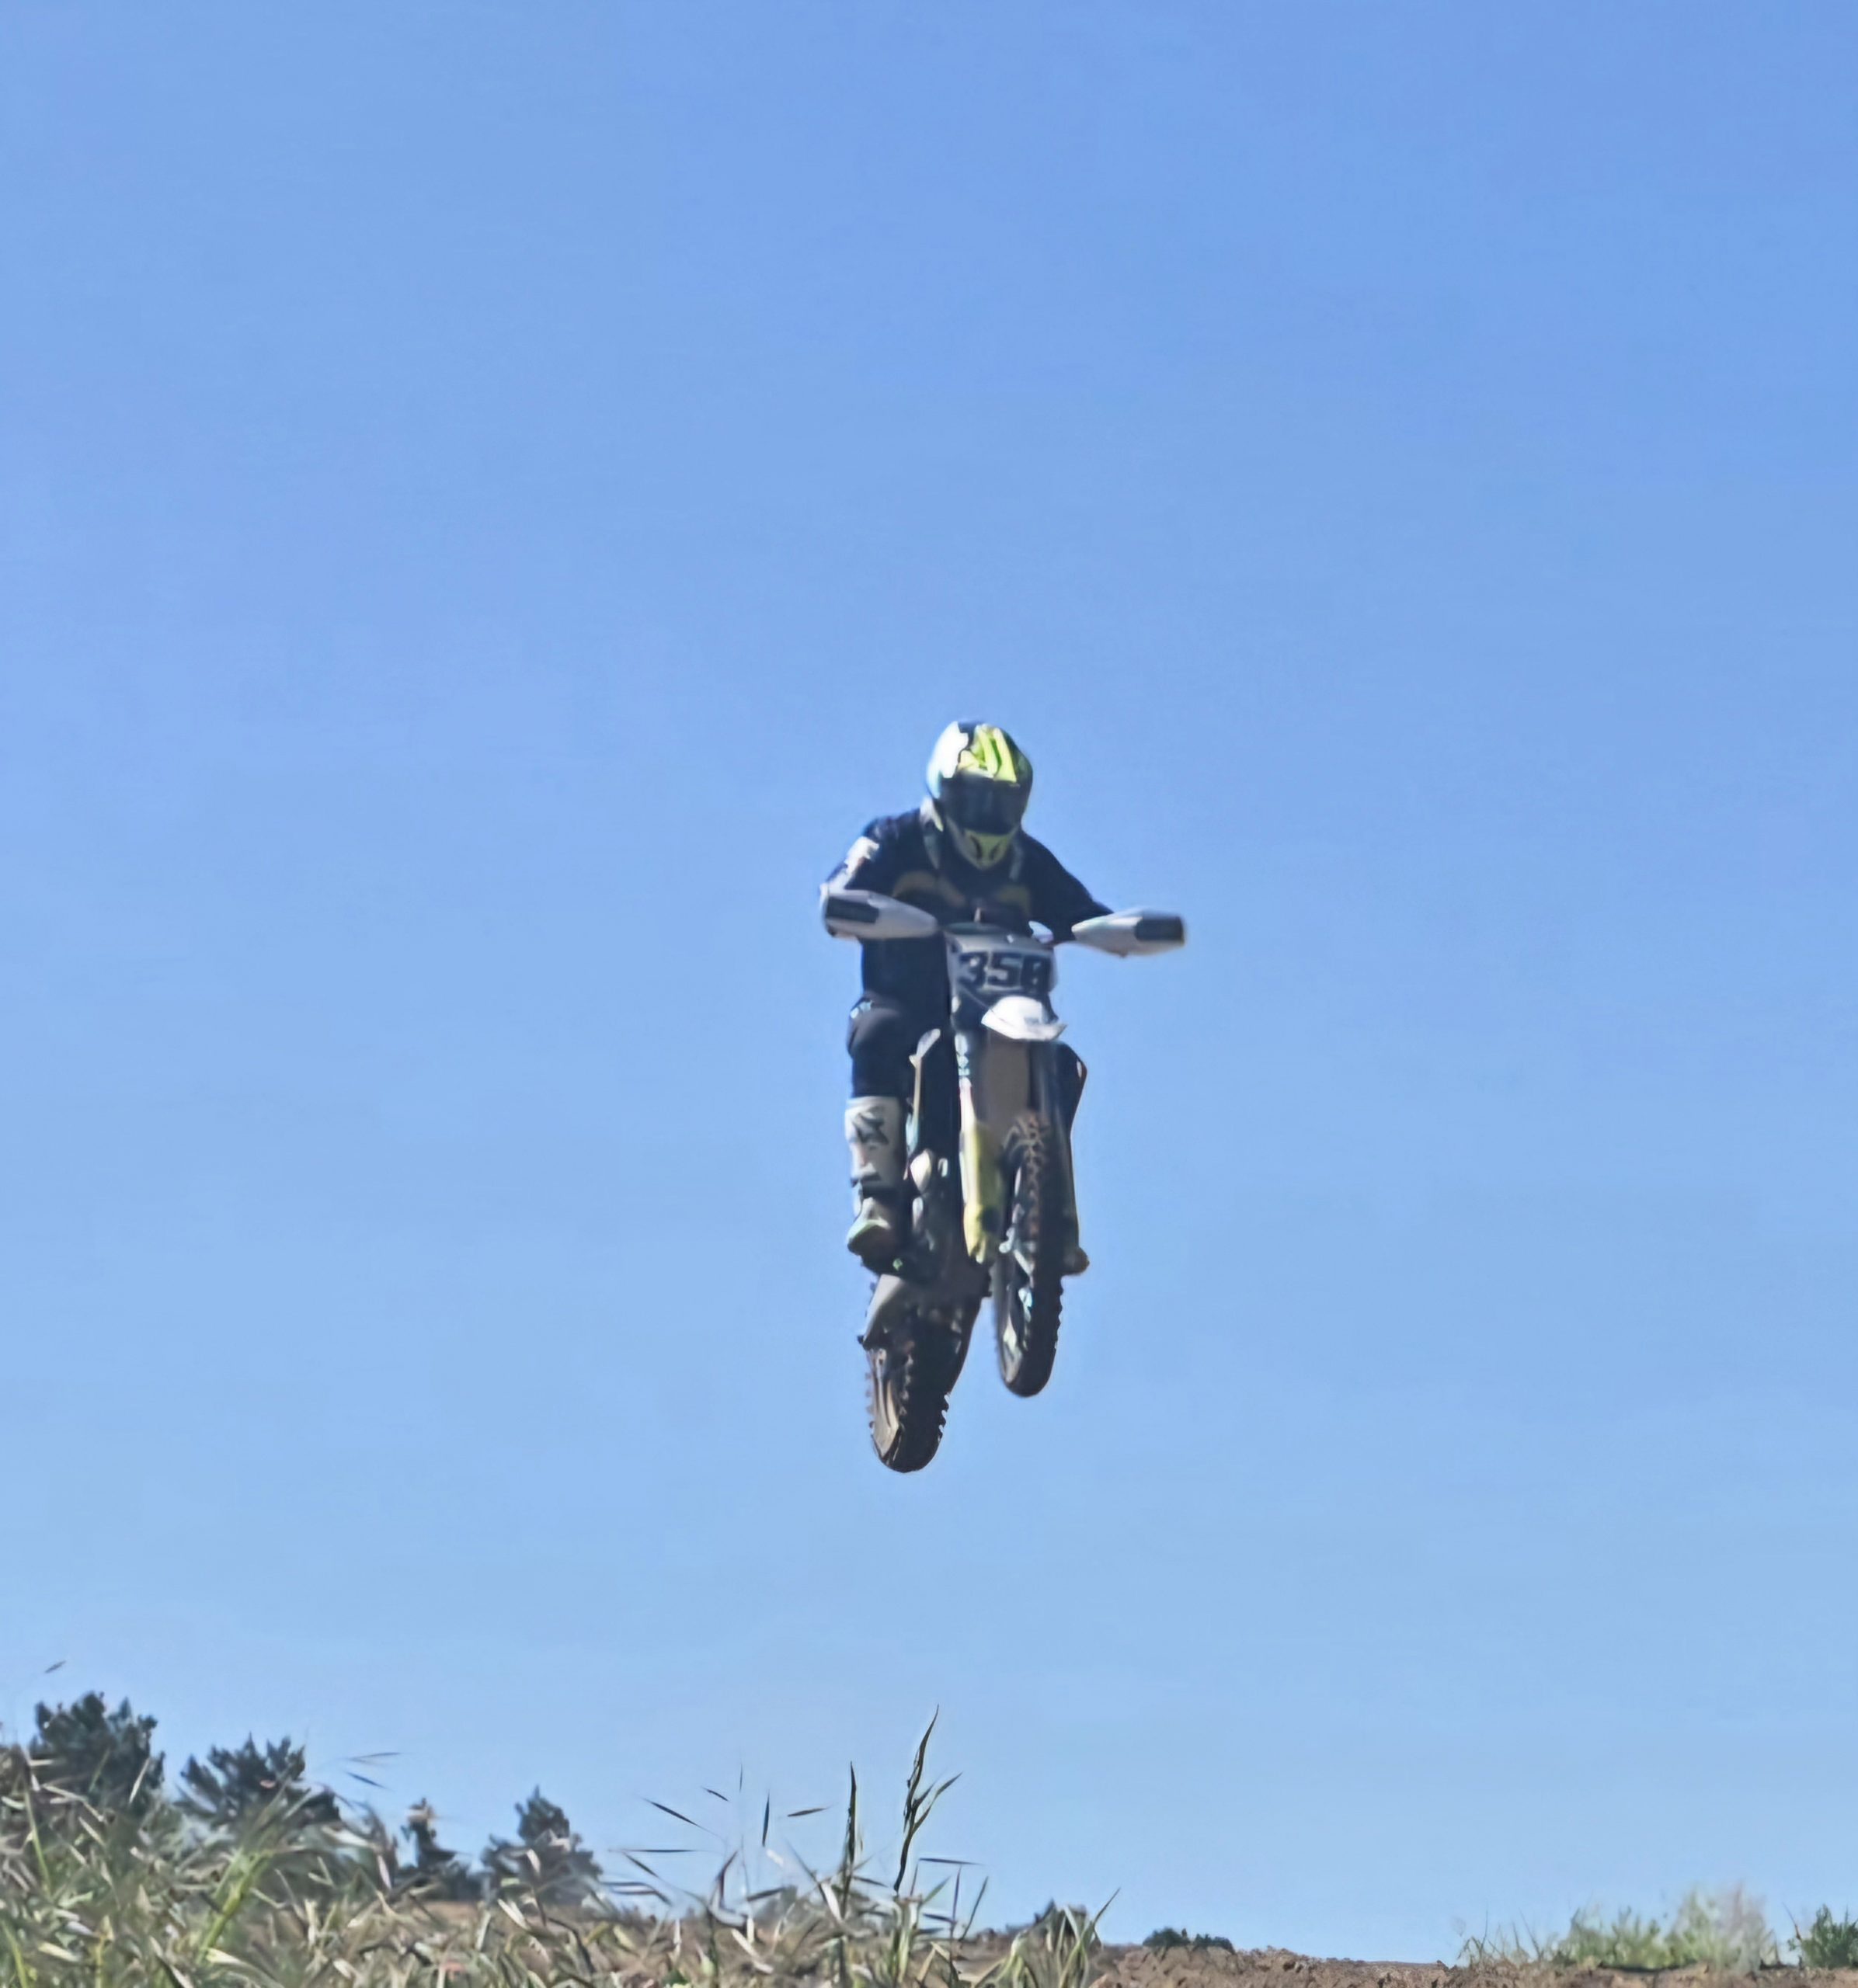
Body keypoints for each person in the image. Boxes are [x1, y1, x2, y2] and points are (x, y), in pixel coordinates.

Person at [825, 721, 1108, 1269]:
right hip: (907, 1001)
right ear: (944, 791)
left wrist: (1115, 929)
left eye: (1001, 802)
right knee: (876, 1034)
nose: (988, 815)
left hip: (998, 1008)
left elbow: (1078, 910)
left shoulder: (1026, 860)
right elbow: (845, 886)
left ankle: (1044, 1208)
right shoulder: (895, 839)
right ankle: (877, 1195)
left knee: (1060, 1063)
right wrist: (848, 902)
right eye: (976, 799)